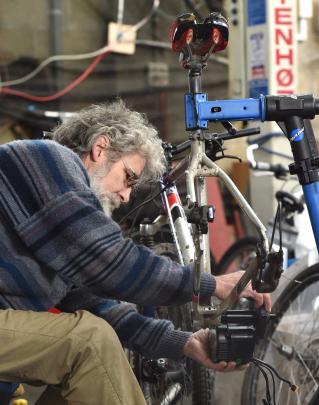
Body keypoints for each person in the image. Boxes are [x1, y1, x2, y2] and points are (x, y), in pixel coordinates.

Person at [0, 100, 271, 404]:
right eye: (128, 177)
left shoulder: (56, 221)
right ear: (100, 148)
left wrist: (183, 342)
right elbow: (110, 261)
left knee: (92, 368)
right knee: (89, 341)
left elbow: (92, 304)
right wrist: (212, 284)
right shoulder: (45, 161)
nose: (127, 196)